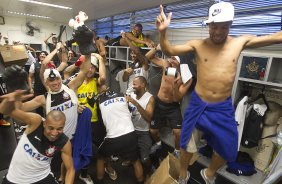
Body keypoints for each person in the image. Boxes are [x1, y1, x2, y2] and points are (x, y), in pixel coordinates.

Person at [156, 1, 282, 183]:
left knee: (228, 149)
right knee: (186, 144)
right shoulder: (197, 45)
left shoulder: (240, 42)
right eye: (214, 26)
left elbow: (277, 37)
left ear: (230, 25)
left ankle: (208, 174)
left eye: (224, 27)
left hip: (222, 107)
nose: (218, 31)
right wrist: (163, 32)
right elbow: (169, 49)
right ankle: (183, 173)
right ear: (208, 24)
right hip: (199, 104)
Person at [0, 90, 75, 184]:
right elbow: (4, 110)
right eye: (51, 128)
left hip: (43, 177)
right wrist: (9, 101)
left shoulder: (64, 142)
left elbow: (70, 170)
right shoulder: (36, 122)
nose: (55, 133)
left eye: (59, 129)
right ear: (44, 124)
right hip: (16, 179)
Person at [145, 45, 192, 157]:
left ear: (180, 62)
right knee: (153, 131)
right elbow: (148, 56)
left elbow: (177, 98)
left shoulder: (185, 77)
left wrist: (176, 85)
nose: (170, 60)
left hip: (173, 106)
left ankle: (177, 150)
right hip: (160, 103)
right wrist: (156, 48)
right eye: (171, 57)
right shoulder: (167, 66)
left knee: (177, 132)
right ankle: (158, 143)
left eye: (174, 59)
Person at [96, 85, 144, 184]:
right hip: (130, 134)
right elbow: (133, 111)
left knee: (100, 157)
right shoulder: (123, 96)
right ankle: (141, 182)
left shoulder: (100, 100)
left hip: (113, 138)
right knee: (135, 160)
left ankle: (99, 181)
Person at [126, 76, 155, 176]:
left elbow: (148, 118)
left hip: (143, 132)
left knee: (145, 158)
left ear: (142, 85)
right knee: (131, 152)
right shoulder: (132, 95)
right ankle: (132, 160)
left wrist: (136, 104)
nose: (132, 86)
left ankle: (151, 170)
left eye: (134, 84)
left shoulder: (150, 98)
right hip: (131, 130)